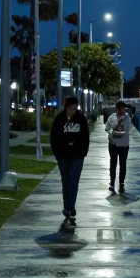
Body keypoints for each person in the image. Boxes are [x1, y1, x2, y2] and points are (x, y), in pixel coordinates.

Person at [49, 96, 89, 234]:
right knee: (65, 181)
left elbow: (85, 137)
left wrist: (82, 152)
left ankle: (71, 207)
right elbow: (53, 137)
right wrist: (57, 153)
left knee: (74, 182)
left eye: (76, 108)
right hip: (63, 156)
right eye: (72, 109)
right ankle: (67, 206)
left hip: (77, 156)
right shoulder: (59, 119)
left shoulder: (81, 119)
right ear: (67, 107)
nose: (74, 111)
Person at [104, 100, 133, 194]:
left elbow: (128, 129)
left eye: (122, 109)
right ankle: (112, 181)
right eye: (119, 109)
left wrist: (121, 134)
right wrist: (112, 133)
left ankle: (121, 182)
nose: (121, 111)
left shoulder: (127, 118)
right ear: (116, 109)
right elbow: (107, 128)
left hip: (124, 144)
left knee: (123, 163)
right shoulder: (112, 117)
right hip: (113, 143)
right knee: (113, 162)